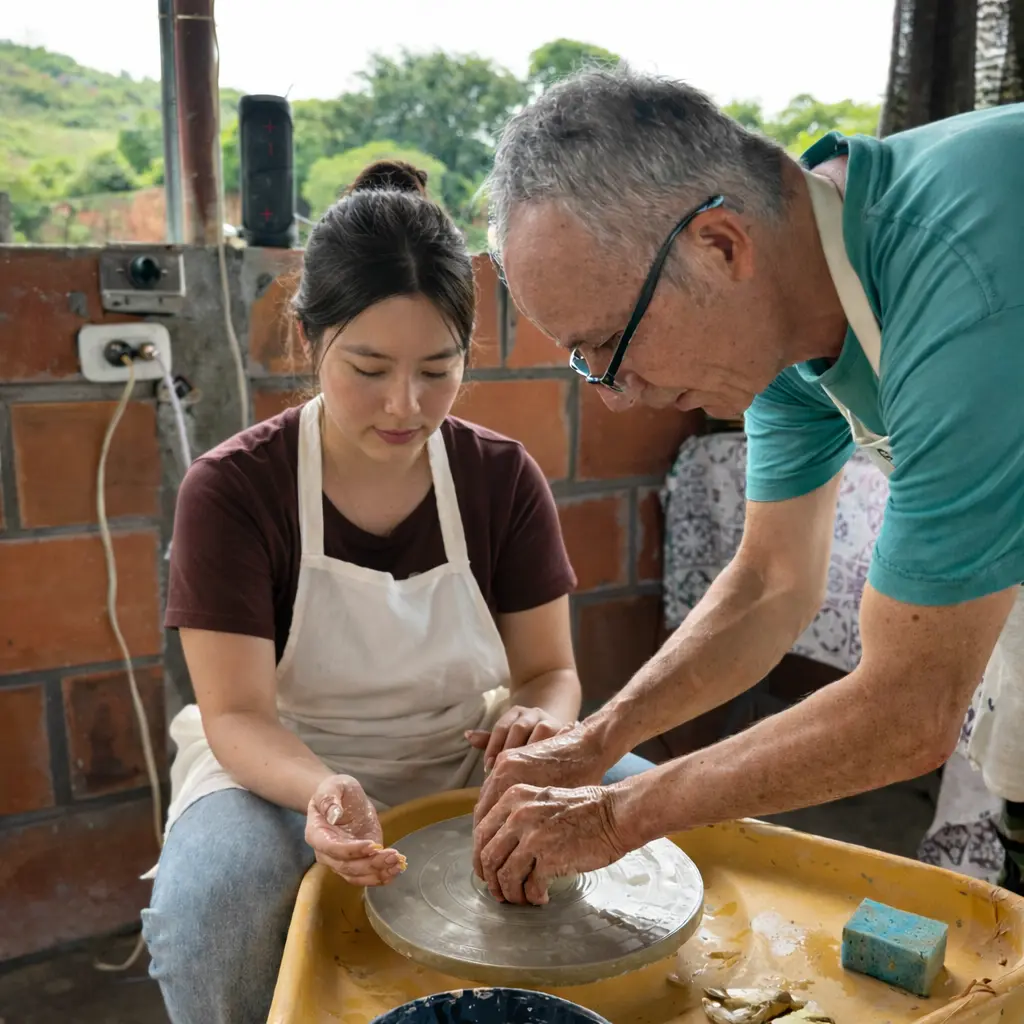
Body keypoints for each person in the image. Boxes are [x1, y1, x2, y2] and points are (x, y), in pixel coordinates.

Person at [471, 66, 1024, 907]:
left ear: (721, 246)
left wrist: (617, 815)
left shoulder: (966, 283)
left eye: (612, 343)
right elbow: (772, 581)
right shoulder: (789, 318)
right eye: (585, 362)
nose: (616, 395)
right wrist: (594, 743)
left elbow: (909, 709)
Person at [141, 159, 652, 1024]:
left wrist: (541, 723)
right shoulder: (233, 490)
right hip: (282, 771)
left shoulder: (500, 477)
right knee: (210, 918)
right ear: (308, 340)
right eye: (369, 368)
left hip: (469, 760)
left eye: (437, 370)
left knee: (665, 825)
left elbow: (549, 671)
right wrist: (321, 791)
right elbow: (237, 716)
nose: (405, 406)